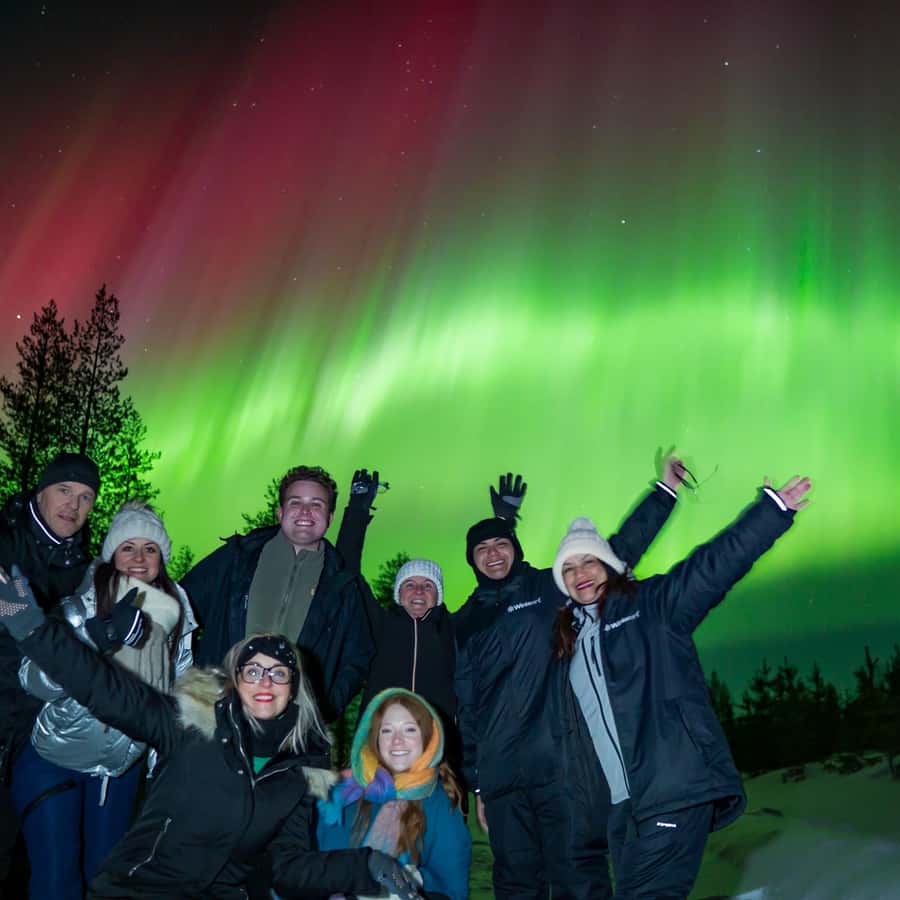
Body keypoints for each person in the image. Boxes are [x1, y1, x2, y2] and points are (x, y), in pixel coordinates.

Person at [0, 570, 424, 900]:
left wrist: (364, 865)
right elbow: (105, 689)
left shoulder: (301, 768)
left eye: (279, 673)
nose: (265, 680)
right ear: (234, 681)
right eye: (253, 670)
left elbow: (287, 867)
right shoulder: (189, 723)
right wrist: (36, 631)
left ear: (294, 689)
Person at [551, 475, 812, 899]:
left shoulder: (652, 606)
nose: (579, 574)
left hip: (671, 790)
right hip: (623, 807)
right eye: (568, 567)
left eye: (589, 562)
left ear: (610, 566)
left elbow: (711, 567)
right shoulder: (571, 639)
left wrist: (770, 513)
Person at [453, 458, 687, 899]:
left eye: (501, 544)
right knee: (516, 884)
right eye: (482, 550)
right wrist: (478, 783)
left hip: (562, 768)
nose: (493, 554)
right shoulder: (464, 622)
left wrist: (663, 493)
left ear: (515, 549)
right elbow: (467, 707)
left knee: (578, 877)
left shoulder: (548, 590)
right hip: (503, 778)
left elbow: (611, 557)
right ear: (472, 560)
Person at [13, 501, 197, 899]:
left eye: (149, 548)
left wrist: (165, 769)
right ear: (112, 555)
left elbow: (177, 697)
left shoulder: (176, 619)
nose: (138, 558)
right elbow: (31, 679)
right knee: (56, 884)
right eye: (127, 547)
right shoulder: (81, 606)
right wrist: (94, 639)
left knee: (106, 884)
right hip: (53, 761)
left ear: (161, 558)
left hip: (118, 773)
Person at [182, 465, 374, 720]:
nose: (305, 511)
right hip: (219, 710)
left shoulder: (343, 586)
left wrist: (322, 707)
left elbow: (358, 658)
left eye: (316, 504)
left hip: (292, 725)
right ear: (280, 511)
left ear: (329, 517)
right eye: (296, 502)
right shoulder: (237, 559)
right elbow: (180, 606)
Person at [0, 452, 100, 887]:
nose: (73, 507)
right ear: (40, 492)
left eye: (85, 498)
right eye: (64, 491)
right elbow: (14, 621)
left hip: (29, 734)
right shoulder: (5, 544)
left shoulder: (81, 567)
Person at [318, 688, 471, 900]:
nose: (397, 740)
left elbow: (451, 889)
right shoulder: (344, 793)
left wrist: (408, 879)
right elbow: (314, 866)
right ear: (374, 738)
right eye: (387, 730)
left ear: (428, 739)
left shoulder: (439, 802)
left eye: (410, 730)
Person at [360, 561, 459, 768]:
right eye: (410, 584)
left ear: (438, 596)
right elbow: (350, 571)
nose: (419, 591)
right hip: (381, 750)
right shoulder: (379, 625)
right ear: (399, 593)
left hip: (439, 755)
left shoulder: (455, 630)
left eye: (428, 585)